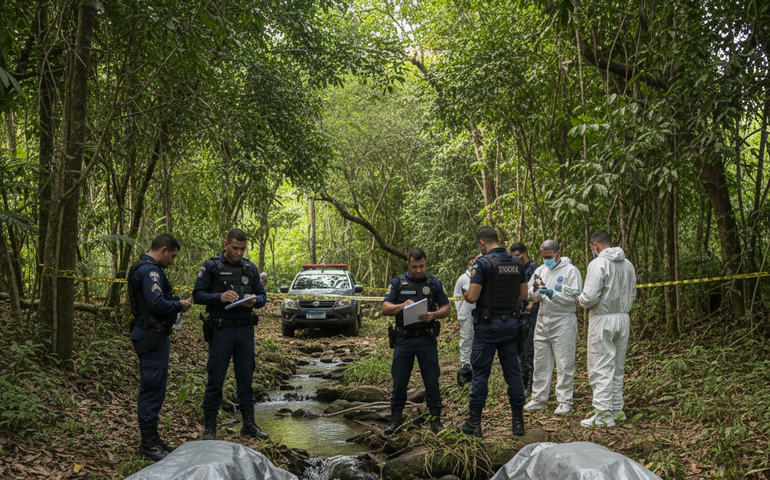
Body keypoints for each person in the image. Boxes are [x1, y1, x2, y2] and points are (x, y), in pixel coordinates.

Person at [193, 228, 268, 441]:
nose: (239, 253)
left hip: (245, 330)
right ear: (226, 244)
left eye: (243, 249)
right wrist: (220, 297)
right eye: (235, 248)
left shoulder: (250, 268)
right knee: (216, 378)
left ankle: (249, 424)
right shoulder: (211, 266)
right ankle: (210, 429)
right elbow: (197, 295)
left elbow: (263, 296)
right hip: (221, 330)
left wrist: (255, 300)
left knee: (245, 378)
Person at [127, 233, 192, 461]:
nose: (172, 261)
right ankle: (148, 443)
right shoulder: (150, 271)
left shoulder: (146, 268)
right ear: (163, 250)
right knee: (152, 387)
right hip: (150, 334)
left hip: (152, 333)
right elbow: (155, 302)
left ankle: (154, 439)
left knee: (155, 388)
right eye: (172, 256)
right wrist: (179, 305)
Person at [460, 227, 529, 438]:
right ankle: (518, 424)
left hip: (487, 327)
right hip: (511, 326)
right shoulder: (517, 263)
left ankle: (474, 424)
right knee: (513, 373)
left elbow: (472, 297)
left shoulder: (482, 264)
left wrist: (465, 293)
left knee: (480, 373)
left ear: (482, 243)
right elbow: (524, 294)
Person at [382, 247, 451, 435]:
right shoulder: (397, 283)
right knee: (399, 380)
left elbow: (446, 307)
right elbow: (385, 308)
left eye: (421, 266)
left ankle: (436, 421)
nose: (418, 270)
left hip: (426, 338)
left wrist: (434, 314)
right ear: (408, 264)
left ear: (426, 263)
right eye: (414, 267)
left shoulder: (434, 283)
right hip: (403, 339)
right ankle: (395, 421)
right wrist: (401, 306)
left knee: (432, 380)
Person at [577, 230, 636, 428]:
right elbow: (633, 293)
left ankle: (603, 414)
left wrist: (579, 300)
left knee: (600, 366)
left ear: (595, 245)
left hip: (602, 318)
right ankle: (617, 410)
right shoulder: (627, 264)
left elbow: (589, 297)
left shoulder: (598, 264)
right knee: (617, 366)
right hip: (623, 318)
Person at [524, 240, 582, 416]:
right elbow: (530, 291)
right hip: (543, 319)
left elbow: (576, 297)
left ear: (558, 254)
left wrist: (554, 295)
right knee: (540, 361)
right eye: (543, 257)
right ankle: (538, 398)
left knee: (564, 362)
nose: (546, 260)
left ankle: (565, 401)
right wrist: (537, 293)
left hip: (563, 320)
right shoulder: (540, 270)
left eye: (549, 257)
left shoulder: (570, 271)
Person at [509, 242, 540, 398]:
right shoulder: (516, 269)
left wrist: (531, 304)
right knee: (520, 352)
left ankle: (532, 386)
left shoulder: (536, 269)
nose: (515, 259)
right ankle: (522, 384)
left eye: (517, 255)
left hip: (532, 316)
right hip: (518, 315)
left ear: (524, 253)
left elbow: (539, 288)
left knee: (529, 352)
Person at [453, 255, 478, 386]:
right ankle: (465, 364)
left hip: (478, 312)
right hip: (465, 313)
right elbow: (456, 297)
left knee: (477, 338)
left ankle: (476, 363)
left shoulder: (479, 277)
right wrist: (461, 311)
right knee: (466, 338)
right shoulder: (462, 279)